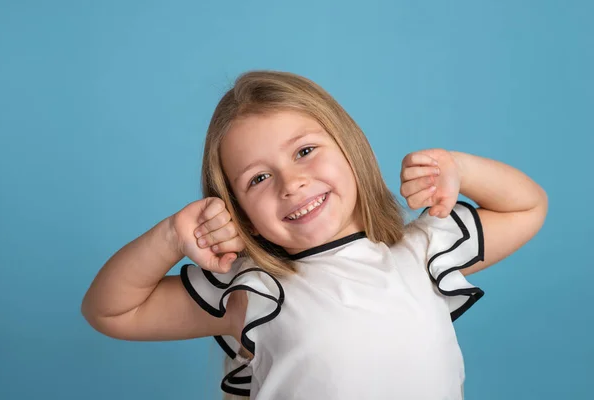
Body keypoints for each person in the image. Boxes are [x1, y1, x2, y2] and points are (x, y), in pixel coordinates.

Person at [82, 71, 548, 400]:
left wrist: (459, 169)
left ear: (350, 148)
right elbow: (111, 311)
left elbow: (527, 207)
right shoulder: (254, 289)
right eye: (258, 179)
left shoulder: (422, 252)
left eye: (305, 151)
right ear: (237, 211)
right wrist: (169, 236)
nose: (291, 183)